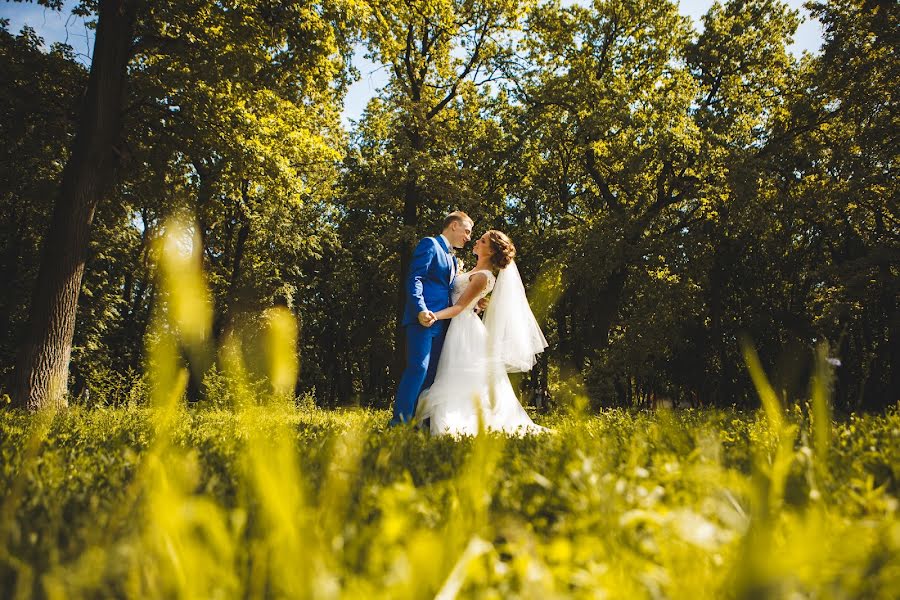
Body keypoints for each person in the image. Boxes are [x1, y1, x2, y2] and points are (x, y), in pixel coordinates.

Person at [415, 230, 549, 436]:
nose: (477, 241)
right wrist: (477, 304)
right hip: (462, 325)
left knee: (459, 376)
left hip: (463, 329)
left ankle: (462, 418)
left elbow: (459, 307)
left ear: (491, 251)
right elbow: (467, 300)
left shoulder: (483, 277)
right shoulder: (474, 272)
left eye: (483, 240)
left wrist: (433, 315)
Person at [389, 211, 473, 426]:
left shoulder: (453, 258)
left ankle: (422, 422)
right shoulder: (430, 244)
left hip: (442, 322)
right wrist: (420, 309)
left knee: (433, 373)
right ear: (454, 225)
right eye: (467, 231)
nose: (468, 237)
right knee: (419, 368)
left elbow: (450, 290)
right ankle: (399, 423)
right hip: (423, 319)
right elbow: (415, 278)